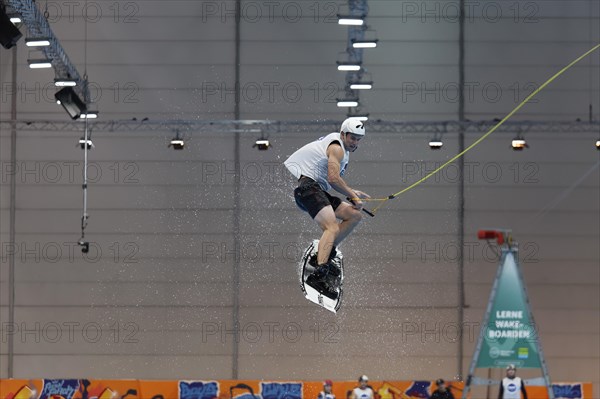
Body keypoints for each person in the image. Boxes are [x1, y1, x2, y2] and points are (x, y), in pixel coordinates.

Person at [284, 118, 370, 299]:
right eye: (352, 138)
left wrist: (352, 192)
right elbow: (333, 178)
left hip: (318, 191)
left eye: (358, 139)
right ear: (343, 134)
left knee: (354, 215)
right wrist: (352, 196)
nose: (355, 142)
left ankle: (326, 253)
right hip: (308, 190)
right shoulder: (337, 148)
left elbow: (332, 180)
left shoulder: (342, 149)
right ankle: (318, 273)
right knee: (331, 227)